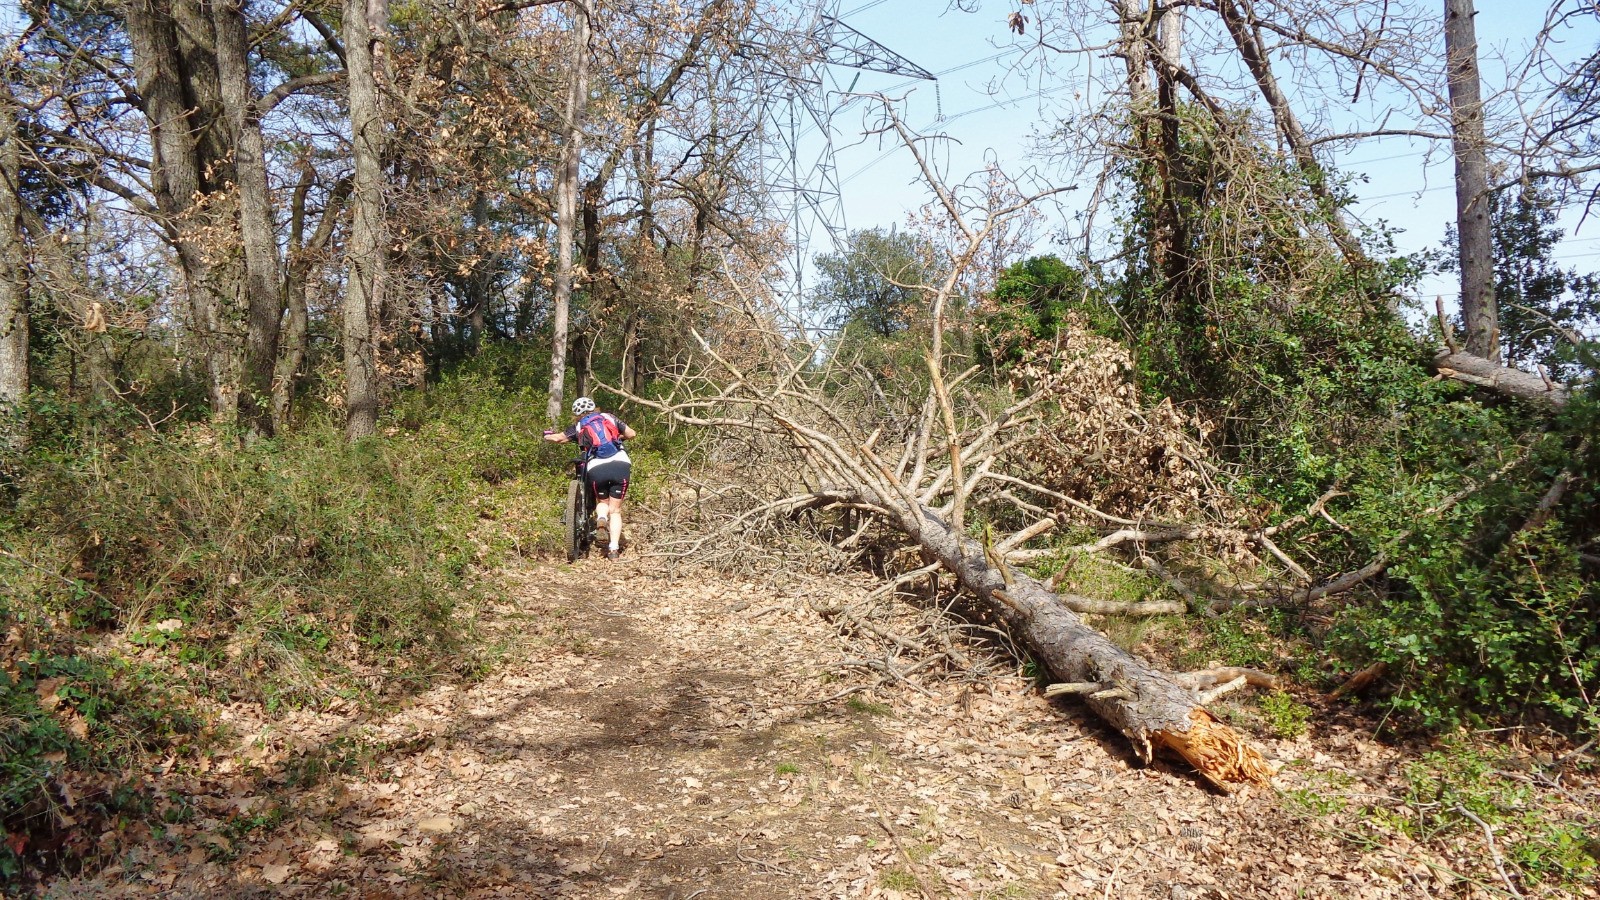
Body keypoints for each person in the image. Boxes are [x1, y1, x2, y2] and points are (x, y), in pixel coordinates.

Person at [543, 397, 636, 560]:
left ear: (576, 414)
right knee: (615, 510)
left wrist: (546, 435)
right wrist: (618, 438)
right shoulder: (609, 417)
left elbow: (559, 438)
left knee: (603, 502)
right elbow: (632, 434)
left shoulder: (579, 426)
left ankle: (601, 519)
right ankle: (613, 550)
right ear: (594, 408)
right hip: (620, 464)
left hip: (596, 468)